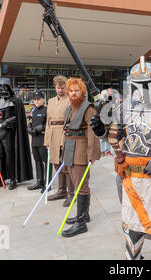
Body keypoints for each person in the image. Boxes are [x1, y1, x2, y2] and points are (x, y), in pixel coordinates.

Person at [90, 57, 151, 260]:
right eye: (139, 85)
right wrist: (100, 129)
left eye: (148, 85)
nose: (144, 90)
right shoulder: (124, 107)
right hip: (128, 177)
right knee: (132, 223)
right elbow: (115, 136)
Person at [60, 78, 101, 237]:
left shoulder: (88, 108)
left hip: (81, 152)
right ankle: (84, 215)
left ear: (82, 91)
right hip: (69, 150)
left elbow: (92, 132)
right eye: (71, 90)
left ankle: (81, 223)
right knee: (76, 183)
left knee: (81, 186)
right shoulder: (69, 108)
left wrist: (92, 154)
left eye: (76, 90)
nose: (73, 93)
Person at [45, 75, 74, 206]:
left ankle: (70, 193)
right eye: (58, 87)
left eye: (63, 87)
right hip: (52, 133)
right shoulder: (50, 101)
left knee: (66, 164)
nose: (60, 90)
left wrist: (67, 135)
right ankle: (61, 190)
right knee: (56, 163)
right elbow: (47, 122)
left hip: (64, 132)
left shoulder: (70, 100)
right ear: (55, 88)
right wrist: (46, 140)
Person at [27, 90, 48, 192]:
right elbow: (30, 122)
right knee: (37, 161)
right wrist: (29, 129)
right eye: (35, 99)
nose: (36, 101)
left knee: (46, 162)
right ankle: (40, 182)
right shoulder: (33, 110)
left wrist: (39, 128)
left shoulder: (46, 110)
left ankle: (47, 183)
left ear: (43, 99)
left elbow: (49, 125)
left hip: (43, 140)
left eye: (38, 99)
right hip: (34, 140)